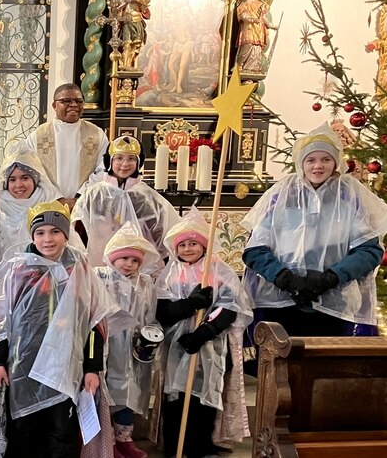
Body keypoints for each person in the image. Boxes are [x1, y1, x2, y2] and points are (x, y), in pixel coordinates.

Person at [0, 200, 117, 457]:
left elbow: (93, 323)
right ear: (32, 235)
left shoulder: (79, 269)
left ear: (66, 235)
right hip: (23, 369)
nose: (48, 239)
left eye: (55, 231)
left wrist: (92, 368)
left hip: (65, 369)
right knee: (23, 431)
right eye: (40, 232)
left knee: (61, 433)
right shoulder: (19, 270)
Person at [242, 124, 387, 337]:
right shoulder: (282, 198)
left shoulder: (349, 199)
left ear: (335, 163)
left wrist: (330, 278)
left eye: (326, 159)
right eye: (311, 160)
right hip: (280, 302)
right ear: (301, 163)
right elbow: (254, 250)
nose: (318, 166)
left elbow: (369, 251)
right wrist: (285, 279)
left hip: (335, 304)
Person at [156, 207, 252, 457]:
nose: (188, 249)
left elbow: (230, 307)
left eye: (194, 244)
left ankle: (199, 446)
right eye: (183, 245)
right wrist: (190, 304)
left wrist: (204, 332)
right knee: (175, 400)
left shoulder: (219, 271)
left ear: (204, 246)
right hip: (176, 347)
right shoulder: (169, 275)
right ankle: (175, 446)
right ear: (175, 249)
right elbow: (162, 310)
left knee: (203, 400)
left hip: (209, 347)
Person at [97, 222, 161, 458]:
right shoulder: (100, 277)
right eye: (124, 258)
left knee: (129, 394)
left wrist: (148, 337)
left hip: (132, 348)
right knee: (108, 392)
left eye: (135, 260)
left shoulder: (144, 284)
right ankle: (108, 441)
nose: (129, 264)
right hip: (107, 346)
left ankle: (124, 438)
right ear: (112, 259)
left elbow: (149, 315)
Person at [73, 135, 178, 270]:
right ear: (109, 162)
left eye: (131, 158)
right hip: (100, 268)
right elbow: (78, 233)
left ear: (139, 163)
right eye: (119, 158)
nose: (125, 164)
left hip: (138, 269)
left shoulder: (149, 198)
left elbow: (163, 234)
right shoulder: (93, 195)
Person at [24, 83, 109, 205]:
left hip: (86, 203)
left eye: (79, 101)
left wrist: (81, 196)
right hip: (48, 203)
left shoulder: (96, 134)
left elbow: (104, 169)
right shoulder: (38, 136)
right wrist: (57, 198)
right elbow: (32, 172)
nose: (74, 105)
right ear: (54, 105)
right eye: (66, 101)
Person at [0, 142, 63, 259]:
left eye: (25, 178)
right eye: (12, 180)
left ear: (35, 180)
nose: (19, 185)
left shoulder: (51, 208)